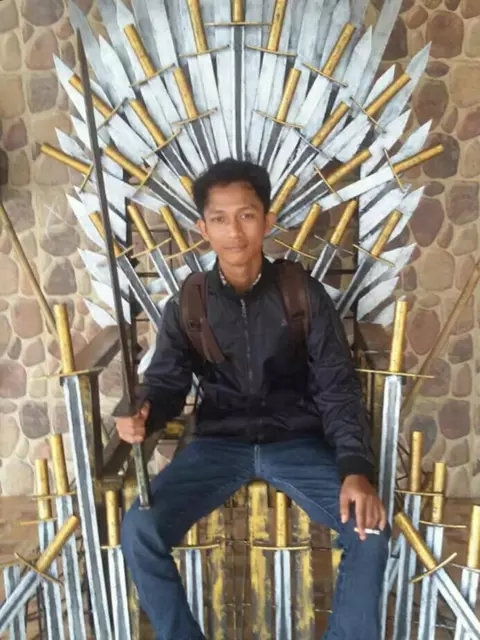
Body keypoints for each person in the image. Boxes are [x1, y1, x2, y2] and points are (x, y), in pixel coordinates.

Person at [117, 159, 389, 640]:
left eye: (246, 215)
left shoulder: (302, 294)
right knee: (139, 529)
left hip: (297, 441)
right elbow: (166, 382)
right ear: (203, 229)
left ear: (267, 221)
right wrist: (145, 411)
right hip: (217, 445)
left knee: (370, 531)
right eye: (219, 219)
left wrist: (354, 467)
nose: (234, 231)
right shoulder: (190, 302)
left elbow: (337, 385)